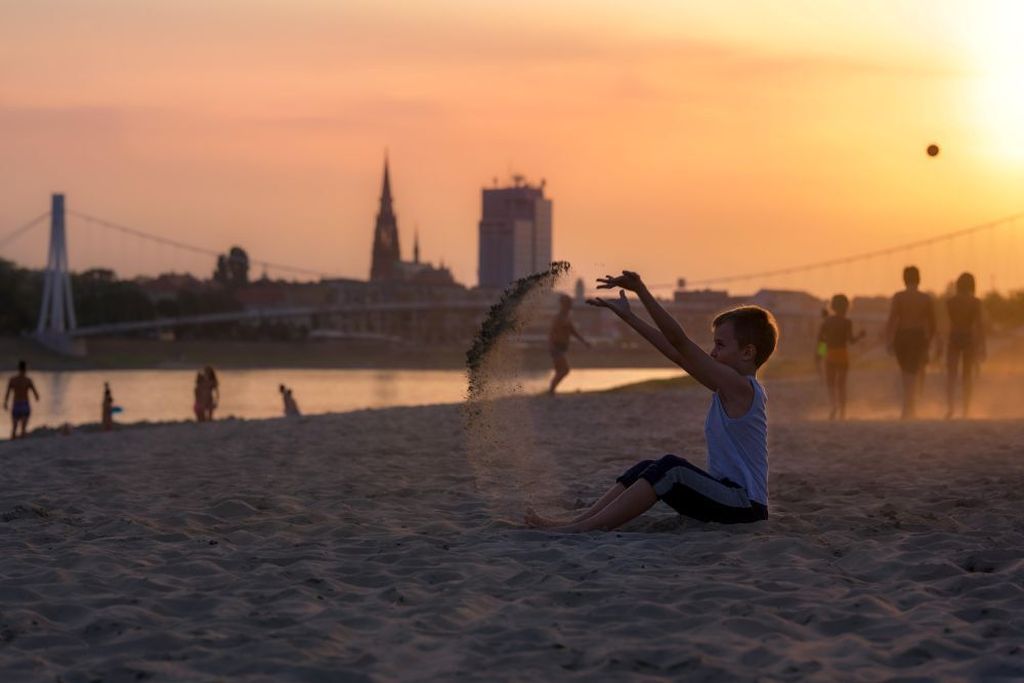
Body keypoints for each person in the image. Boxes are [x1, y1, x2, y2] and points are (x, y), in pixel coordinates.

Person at [524, 270, 778, 532]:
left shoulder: (741, 388)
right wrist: (630, 317)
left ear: (748, 353)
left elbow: (680, 342)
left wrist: (641, 291)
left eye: (720, 345)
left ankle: (586, 528)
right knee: (647, 468)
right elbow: (676, 354)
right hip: (725, 497)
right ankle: (577, 522)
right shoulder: (726, 387)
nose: (712, 352)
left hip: (745, 506)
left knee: (670, 468)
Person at [886, 266, 936, 419]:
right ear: (918, 278)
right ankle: (910, 406)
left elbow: (892, 319)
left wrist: (889, 340)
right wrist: (930, 340)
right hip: (917, 336)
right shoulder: (925, 298)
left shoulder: (899, 297)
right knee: (913, 372)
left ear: (904, 279)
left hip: (902, 336)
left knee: (906, 372)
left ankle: (907, 406)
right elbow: (932, 323)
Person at [817, 294, 866, 420]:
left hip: (830, 354)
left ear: (833, 306)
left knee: (831, 384)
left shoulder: (826, 322)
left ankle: (834, 406)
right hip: (843, 354)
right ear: (846, 307)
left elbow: (822, 340)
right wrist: (860, 336)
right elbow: (851, 341)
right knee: (842, 385)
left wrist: (821, 355)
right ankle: (843, 412)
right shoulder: (847, 322)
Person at [946, 272, 985, 419]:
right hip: (969, 337)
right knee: (967, 376)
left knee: (952, 375)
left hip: (954, 336)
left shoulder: (950, 302)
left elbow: (946, 324)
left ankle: (950, 408)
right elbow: (979, 325)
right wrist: (982, 345)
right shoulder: (975, 302)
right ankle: (965, 410)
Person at [547, 294, 591, 394]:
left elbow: (573, 332)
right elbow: (551, 333)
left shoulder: (567, 317)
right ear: (563, 305)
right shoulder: (558, 318)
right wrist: (551, 346)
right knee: (564, 370)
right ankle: (551, 391)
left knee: (560, 371)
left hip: (561, 348)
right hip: (556, 348)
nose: (569, 306)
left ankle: (551, 391)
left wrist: (584, 342)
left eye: (569, 304)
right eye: (567, 304)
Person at [4, 360, 40, 440]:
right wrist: (36, 398)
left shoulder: (12, 380)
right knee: (23, 430)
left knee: (14, 428)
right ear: (25, 368)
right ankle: (21, 442)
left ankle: (12, 443)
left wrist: (5, 403)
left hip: (16, 404)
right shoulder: (28, 380)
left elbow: (7, 393)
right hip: (24, 404)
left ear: (18, 368)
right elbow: (36, 394)